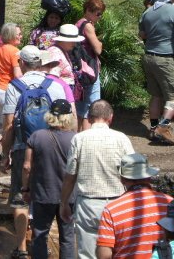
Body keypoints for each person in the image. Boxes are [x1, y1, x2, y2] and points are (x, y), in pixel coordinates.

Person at [0, 45, 66, 259]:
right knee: (48, 195)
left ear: (22, 63)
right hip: (51, 148)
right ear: (40, 62)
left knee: (20, 199)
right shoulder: (55, 85)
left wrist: (5, 154)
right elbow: (67, 120)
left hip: (22, 146)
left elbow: (9, 125)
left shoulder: (15, 86)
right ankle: (43, 243)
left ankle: (20, 248)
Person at [60, 99, 135, 259]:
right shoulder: (122, 138)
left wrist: (64, 202)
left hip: (88, 203)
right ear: (111, 117)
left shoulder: (79, 139)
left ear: (89, 116)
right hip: (118, 203)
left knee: (87, 254)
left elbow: (70, 176)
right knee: (119, 252)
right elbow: (133, 174)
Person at [22, 99, 76, 259]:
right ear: (69, 117)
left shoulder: (37, 136)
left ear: (49, 115)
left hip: (43, 194)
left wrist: (25, 188)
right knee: (67, 237)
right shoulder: (75, 138)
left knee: (39, 236)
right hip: (69, 197)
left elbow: (26, 166)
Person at [96, 153, 173, 259]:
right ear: (149, 177)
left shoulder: (111, 210)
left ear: (122, 179)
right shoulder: (169, 202)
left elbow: (104, 254)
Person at [139, 0, 174, 144]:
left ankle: (153, 129)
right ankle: (163, 127)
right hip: (165, 59)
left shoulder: (147, 12)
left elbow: (142, 35)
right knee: (173, 97)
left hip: (148, 57)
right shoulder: (172, 11)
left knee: (156, 96)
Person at [0, 23, 23, 159]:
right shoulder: (15, 51)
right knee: (9, 126)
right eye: (18, 34)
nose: (21, 36)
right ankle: (7, 156)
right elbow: (18, 75)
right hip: (6, 91)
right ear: (11, 35)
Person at [75, 0, 106, 131]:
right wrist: (100, 42)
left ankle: (76, 137)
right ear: (88, 10)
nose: (99, 17)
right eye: (98, 14)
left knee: (80, 109)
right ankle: (87, 137)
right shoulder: (87, 25)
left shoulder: (79, 23)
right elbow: (98, 49)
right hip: (90, 70)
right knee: (91, 107)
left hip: (81, 70)